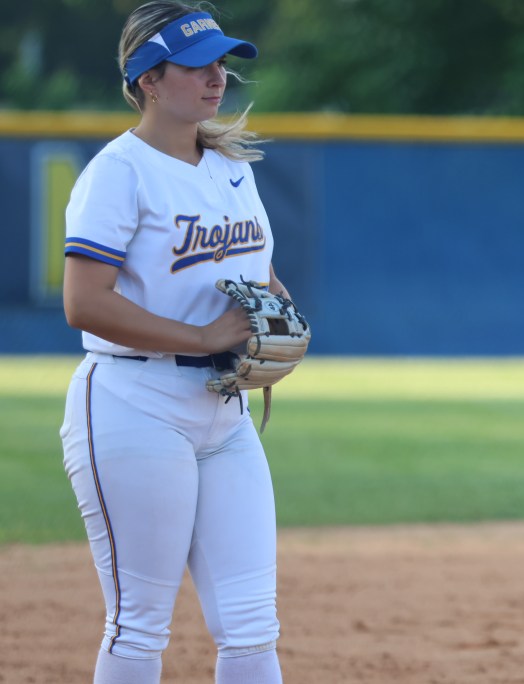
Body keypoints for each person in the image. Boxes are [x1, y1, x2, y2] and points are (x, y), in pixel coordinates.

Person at [60, 2, 288, 682]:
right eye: (195, 66)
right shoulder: (119, 172)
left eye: (221, 63)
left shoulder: (231, 167)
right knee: (139, 626)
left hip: (224, 410)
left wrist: (276, 323)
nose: (217, 77)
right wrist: (201, 334)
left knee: (252, 628)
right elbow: (84, 302)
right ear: (149, 80)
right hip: (136, 404)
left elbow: (261, 273)